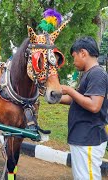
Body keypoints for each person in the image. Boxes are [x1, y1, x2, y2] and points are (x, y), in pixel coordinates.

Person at [60, 36, 108, 180]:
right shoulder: (88, 74)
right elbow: (75, 99)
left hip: (88, 138)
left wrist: (70, 90)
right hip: (82, 137)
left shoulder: (97, 74)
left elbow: (94, 105)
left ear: (83, 53)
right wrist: (53, 97)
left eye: (74, 56)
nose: (73, 61)